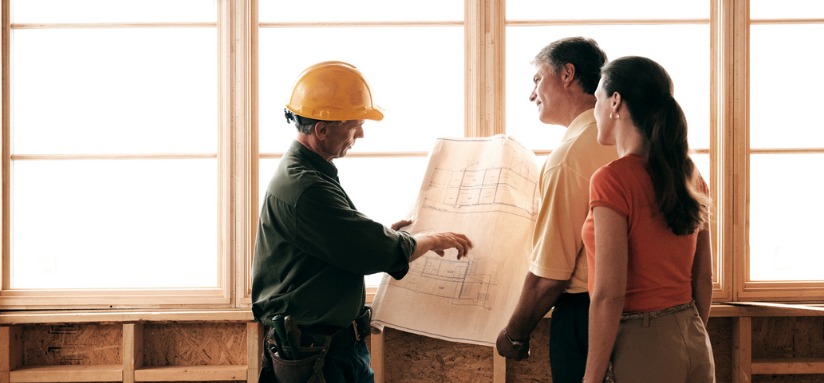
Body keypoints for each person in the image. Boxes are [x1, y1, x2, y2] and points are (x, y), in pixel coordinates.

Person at [252, 61, 474, 383]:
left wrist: (382, 236)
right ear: (322, 129)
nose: (361, 134)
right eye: (354, 125)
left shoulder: (306, 173)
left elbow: (341, 240)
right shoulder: (306, 187)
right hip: (318, 354)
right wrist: (431, 239)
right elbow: (375, 252)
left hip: (329, 348)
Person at [581, 56, 714, 383]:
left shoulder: (612, 179)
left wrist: (591, 378)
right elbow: (704, 279)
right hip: (694, 339)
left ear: (616, 102)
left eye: (597, 98)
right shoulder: (690, 174)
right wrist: (685, 333)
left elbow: (609, 294)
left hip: (642, 343)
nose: (594, 110)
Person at [493, 37, 614, 383]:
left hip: (584, 318)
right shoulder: (629, 137)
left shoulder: (570, 156)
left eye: (536, 80)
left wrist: (514, 334)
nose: (532, 95)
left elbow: (551, 274)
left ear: (567, 74)